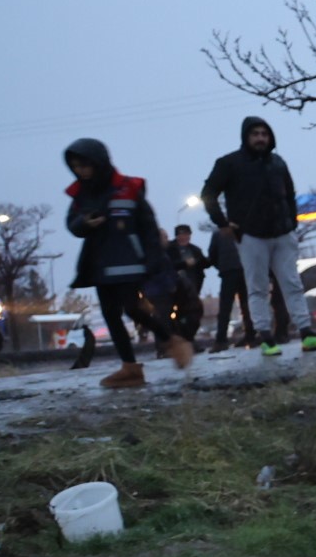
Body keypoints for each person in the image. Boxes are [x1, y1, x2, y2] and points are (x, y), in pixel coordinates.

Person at [62, 138, 193, 389]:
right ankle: (130, 368)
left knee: (132, 308)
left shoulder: (128, 187)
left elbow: (148, 225)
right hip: (99, 264)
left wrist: (153, 258)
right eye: (76, 166)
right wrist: (84, 224)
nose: (80, 171)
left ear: (98, 162)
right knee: (111, 314)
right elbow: (72, 223)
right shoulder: (80, 193)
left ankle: (173, 342)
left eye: (84, 165)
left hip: (128, 262)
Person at [200, 116, 316, 357]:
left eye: (264, 134)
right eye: (255, 133)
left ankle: (307, 333)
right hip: (251, 236)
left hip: (283, 234)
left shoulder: (278, 162)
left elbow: (289, 193)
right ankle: (265, 337)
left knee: (292, 284)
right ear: (245, 137)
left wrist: (292, 222)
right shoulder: (229, 163)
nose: (260, 138)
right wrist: (223, 223)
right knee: (257, 287)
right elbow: (208, 194)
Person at [206, 219, 255, 348]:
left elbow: (212, 255)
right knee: (247, 305)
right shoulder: (246, 229)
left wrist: (222, 266)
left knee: (225, 307)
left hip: (228, 271)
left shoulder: (218, 233)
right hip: (245, 270)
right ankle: (251, 335)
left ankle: (221, 340)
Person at [167, 224, 210, 340]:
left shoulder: (195, 250)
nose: (184, 237)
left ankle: (190, 338)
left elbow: (205, 263)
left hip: (193, 289)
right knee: (178, 315)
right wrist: (184, 264)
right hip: (175, 289)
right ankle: (178, 338)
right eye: (181, 234)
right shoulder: (169, 249)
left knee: (194, 314)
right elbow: (167, 266)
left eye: (186, 234)